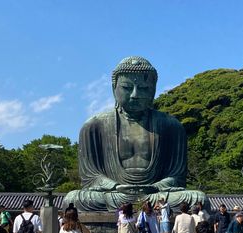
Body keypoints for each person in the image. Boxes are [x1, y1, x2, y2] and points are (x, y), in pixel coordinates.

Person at [64, 56, 208, 212]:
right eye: (127, 88)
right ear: (114, 88)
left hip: (155, 194)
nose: (135, 94)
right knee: (73, 199)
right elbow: (91, 177)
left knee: (197, 198)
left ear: (153, 89)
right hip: (114, 194)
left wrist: (154, 187)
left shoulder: (171, 126)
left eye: (144, 88)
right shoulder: (94, 126)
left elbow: (177, 177)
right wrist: (117, 187)